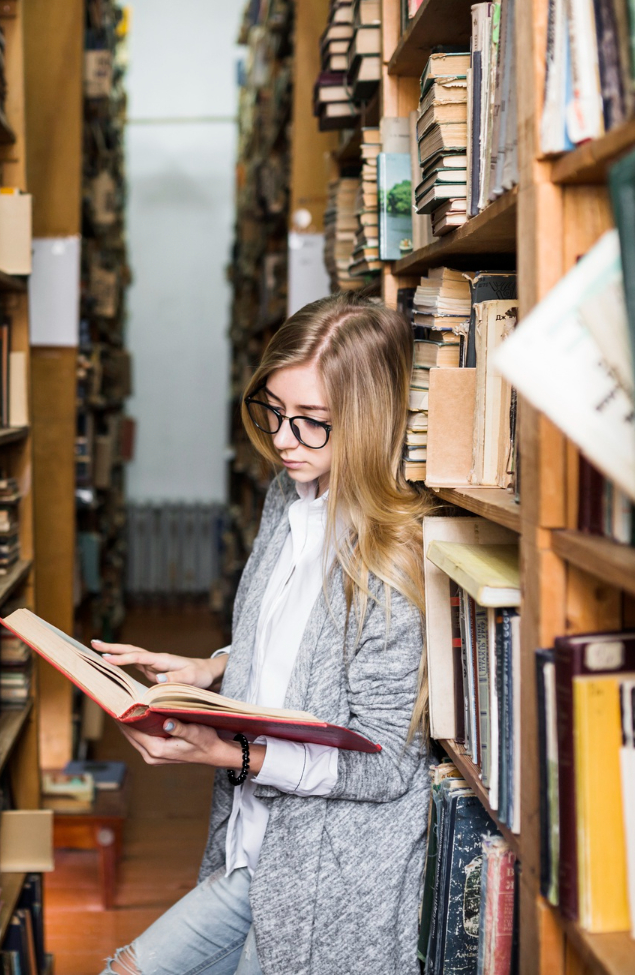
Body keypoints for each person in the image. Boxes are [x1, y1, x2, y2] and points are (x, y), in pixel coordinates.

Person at [93, 293, 433, 975]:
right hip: (252, 845)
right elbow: (290, 644)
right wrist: (214, 667)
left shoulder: (394, 559)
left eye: (311, 423)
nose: (283, 440)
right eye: (274, 412)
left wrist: (227, 755)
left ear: (367, 422)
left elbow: (387, 766)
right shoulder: (288, 496)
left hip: (327, 876)